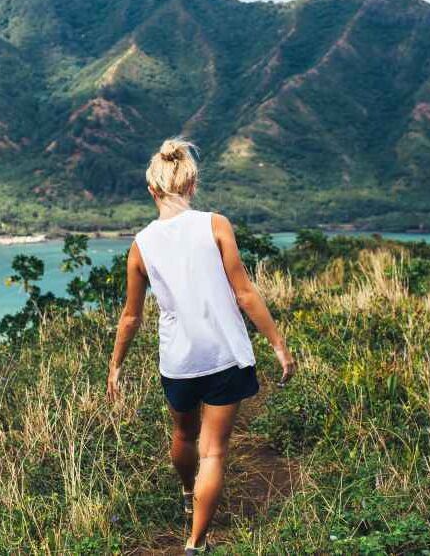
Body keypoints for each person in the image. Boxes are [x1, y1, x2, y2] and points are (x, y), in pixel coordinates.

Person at [106, 137, 296, 554]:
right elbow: (245, 293)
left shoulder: (140, 245)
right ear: (192, 186)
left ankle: (188, 495)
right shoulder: (216, 225)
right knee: (213, 454)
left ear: (152, 191)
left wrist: (115, 366)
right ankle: (196, 542)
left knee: (184, 436)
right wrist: (279, 345)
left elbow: (131, 316)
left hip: (179, 363)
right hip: (225, 356)